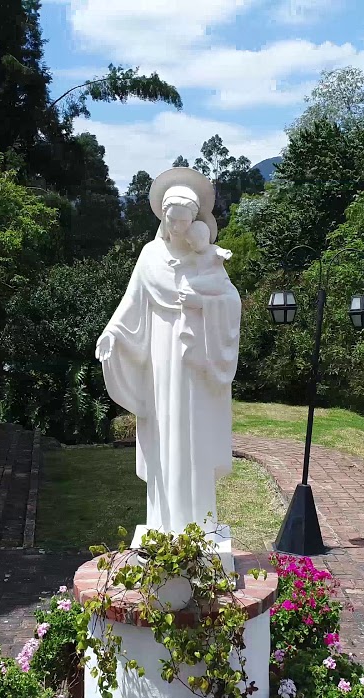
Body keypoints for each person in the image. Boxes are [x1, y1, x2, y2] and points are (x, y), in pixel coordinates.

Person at [94, 168, 241, 534]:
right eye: (171, 220)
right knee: (164, 431)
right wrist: (112, 334)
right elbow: (131, 303)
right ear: (163, 218)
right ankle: (163, 522)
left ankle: (200, 522)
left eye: (185, 220)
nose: (177, 227)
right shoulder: (149, 256)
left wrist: (201, 304)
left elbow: (231, 300)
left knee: (194, 433)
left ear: (196, 219)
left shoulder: (207, 258)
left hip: (197, 362)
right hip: (161, 357)